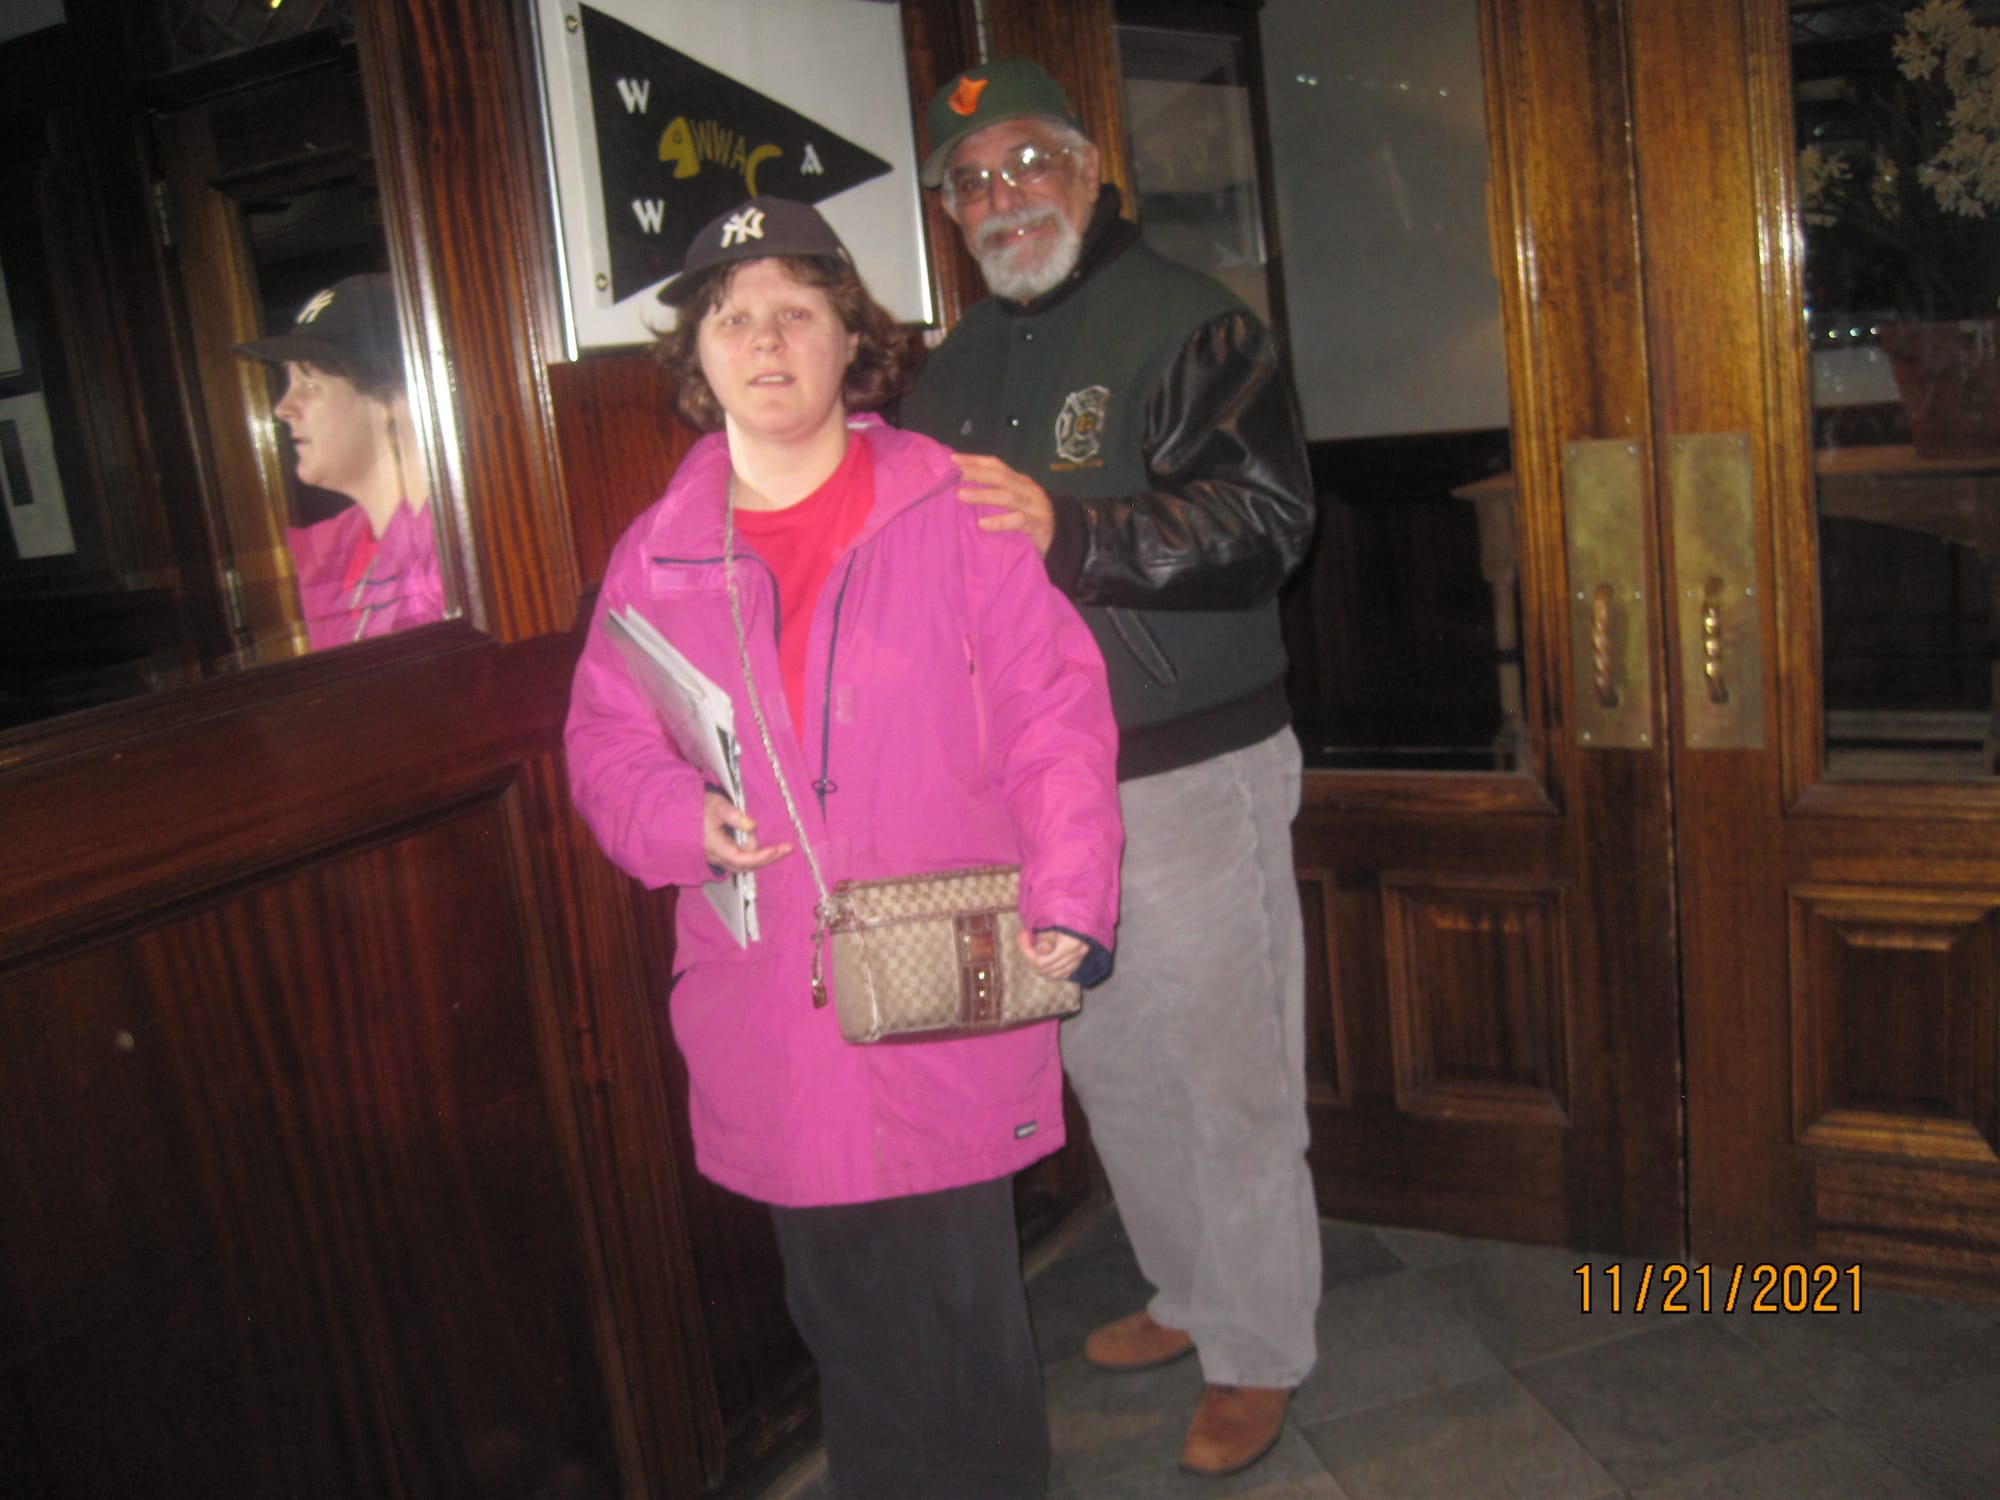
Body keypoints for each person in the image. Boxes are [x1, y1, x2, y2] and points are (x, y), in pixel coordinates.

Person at [563, 197, 1122, 1500]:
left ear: (847, 341)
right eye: (731, 317)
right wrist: (670, 818)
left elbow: (1056, 721)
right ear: (696, 355)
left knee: (970, 1338)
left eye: (795, 314)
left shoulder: (954, 513)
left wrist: (1074, 888)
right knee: (856, 1343)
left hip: (943, 983)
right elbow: (603, 743)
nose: (764, 341)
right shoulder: (653, 562)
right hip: (776, 1014)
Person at [899, 58, 1321, 1480]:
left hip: (1187, 765)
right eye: (974, 179)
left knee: (1229, 1070)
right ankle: (1189, 1292)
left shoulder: (1192, 320)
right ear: (951, 213)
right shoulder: (941, 373)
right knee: (1114, 1061)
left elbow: (1267, 520)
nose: (1004, 195)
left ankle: (1259, 1345)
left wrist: (1071, 533)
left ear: (1088, 167)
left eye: (1028, 161)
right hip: (1029, 786)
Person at [236, 272, 444, 650]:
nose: (282, 408)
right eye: (288, 384)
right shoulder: (336, 554)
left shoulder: (452, 554)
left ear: (390, 399)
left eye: (310, 384)